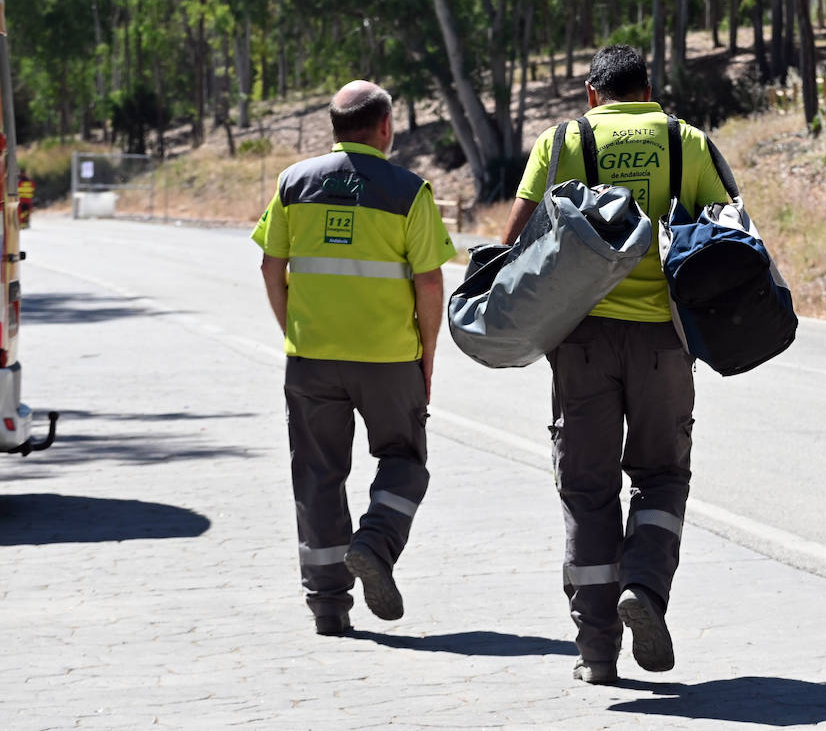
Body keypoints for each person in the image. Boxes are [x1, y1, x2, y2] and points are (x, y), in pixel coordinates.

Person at [501, 45, 731, 685]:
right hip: (664, 342)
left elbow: (515, 242)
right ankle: (646, 588)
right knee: (661, 477)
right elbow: (730, 235)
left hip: (580, 341)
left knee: (587, 488)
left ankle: (597, 653)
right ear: (649, 89)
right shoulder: (688, 142)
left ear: (592, 93)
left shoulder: (563, 140)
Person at [252, 80, 456, 636]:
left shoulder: (293, 184)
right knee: (404, 459)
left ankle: (328, 606)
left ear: (334, 129)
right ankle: (375, 543)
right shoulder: (408, 190)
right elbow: (431, 280)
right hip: (389, 360)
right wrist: (428, 356)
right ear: (386, 128)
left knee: (317, 475)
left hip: (311, 358)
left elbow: (271, 267)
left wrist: (293, 328)